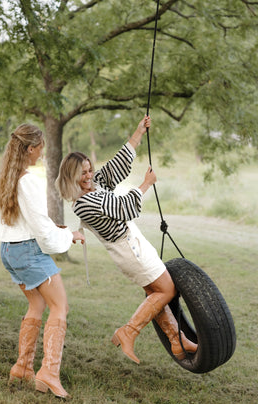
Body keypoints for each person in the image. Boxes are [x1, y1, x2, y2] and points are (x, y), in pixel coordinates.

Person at [56, 116, 198, 365]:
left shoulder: (94, 185)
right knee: (166, 290)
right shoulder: (84, 202)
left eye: (90, 170)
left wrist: (138, 132)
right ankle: (128, 331)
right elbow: (122, 207)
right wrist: (146, 184)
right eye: (83, 173)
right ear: (71, 176)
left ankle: (177, 342)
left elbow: (115, 166)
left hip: (131, 244)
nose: (89, 175)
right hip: (128, 250)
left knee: (155, 293)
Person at [0, 123, 85, 398]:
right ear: (31, 148)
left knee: (37, 303)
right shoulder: (29, 181)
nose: (42, 152)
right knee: (61, 307)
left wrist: (56, 229)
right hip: (28, 251)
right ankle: (48, 373)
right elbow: (42, 234)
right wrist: (69, 236)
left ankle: (22, 367)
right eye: (40, 147)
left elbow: (31, 222)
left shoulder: (10, 177)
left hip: (9, 249)